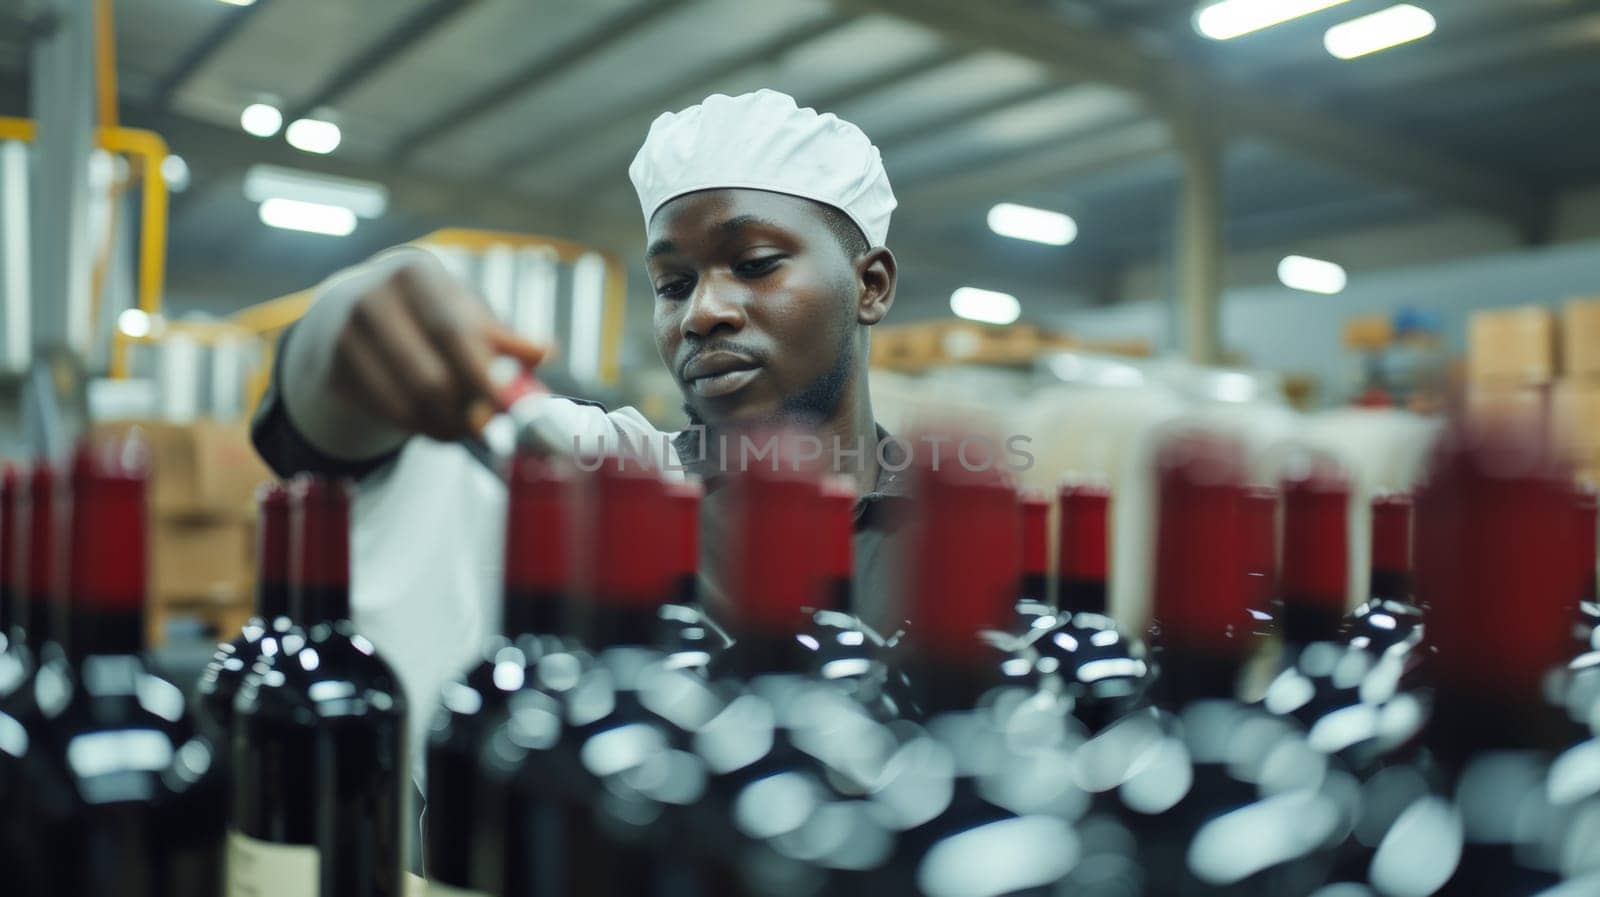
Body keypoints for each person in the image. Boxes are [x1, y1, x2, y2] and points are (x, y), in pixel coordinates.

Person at [249, 89, 913, 780]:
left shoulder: (963, 543)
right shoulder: (609, 476)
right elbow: (320, 437)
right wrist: (347, 323)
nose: (702, 313)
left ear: (870, 285)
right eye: (674, 283)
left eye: (754, 263)